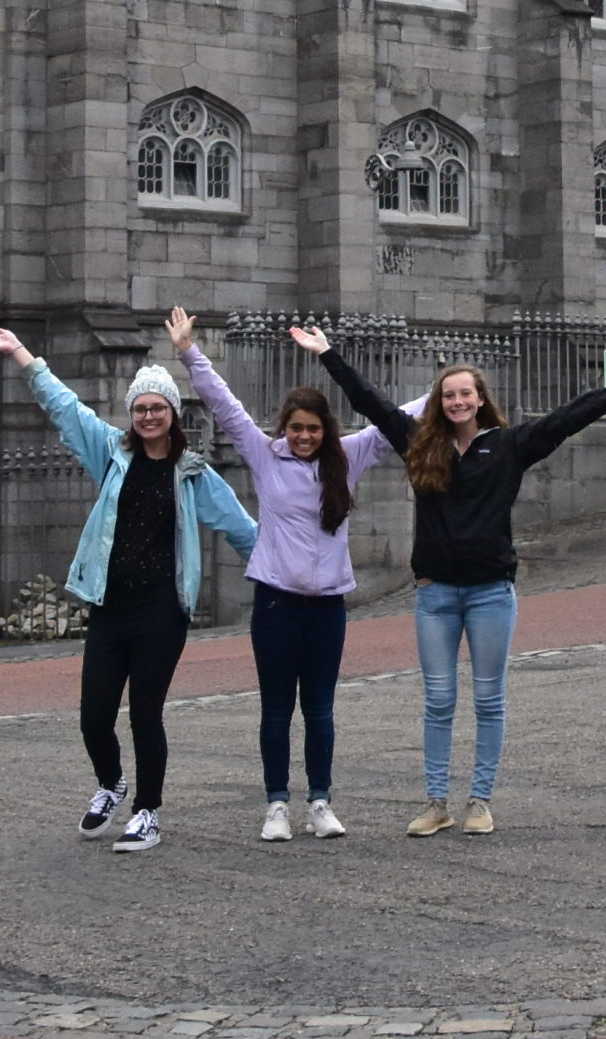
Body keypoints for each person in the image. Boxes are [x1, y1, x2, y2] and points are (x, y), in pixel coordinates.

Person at [318, 346, 606, 837]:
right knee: (438, 700)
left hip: (490, 594)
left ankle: (479, 802)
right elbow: (370, 402)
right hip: (436, 594)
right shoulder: (420, 442)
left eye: (466, 393)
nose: (458, 401)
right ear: (439, 402)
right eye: (449, 395)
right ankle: (436, 802)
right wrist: (328, 354)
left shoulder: (508, 445)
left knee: (488, 699)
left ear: (481, 399)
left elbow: (566, 420)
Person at [0, 326, 258, 853]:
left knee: (145, 712)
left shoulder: (192, 474)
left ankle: (147, 811)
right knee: (94, 713)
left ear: (173, 414)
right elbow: (64, 407)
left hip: (161, 609)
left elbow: (244, 531)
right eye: (141, 408)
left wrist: (286, 576)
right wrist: (21, 352)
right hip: (110, 603)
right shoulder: (111, 453)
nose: (149, 416)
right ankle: (111, 784)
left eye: (158, 408)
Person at [169, 309, 426, 842]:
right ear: (284, 429)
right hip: (276, 604)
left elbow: (392, 417)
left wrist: (450, 391)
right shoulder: (266, 457)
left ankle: (320, 801)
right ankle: (277, 805)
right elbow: (225, 406)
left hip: (328, 606)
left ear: (324, 429)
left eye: (312, 429)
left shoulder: (347, 457)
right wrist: (190, 353)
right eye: (296, 429)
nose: (304, 437)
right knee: (276, 708)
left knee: (321, 710)